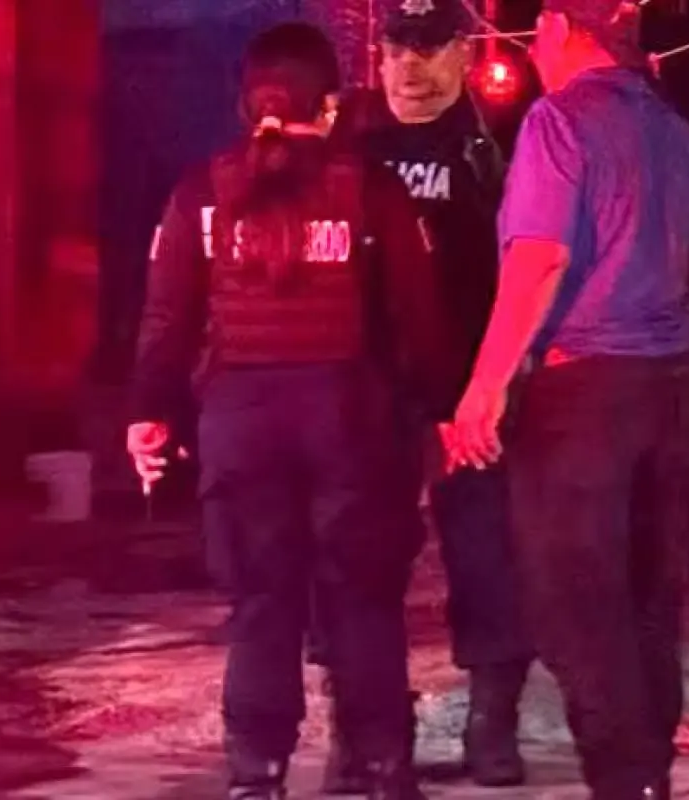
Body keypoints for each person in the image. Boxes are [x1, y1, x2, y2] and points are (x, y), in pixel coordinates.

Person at [126, 22, 451, 800]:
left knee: (262, 605)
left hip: (241, 426)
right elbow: (419, 317)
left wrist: (147, 414)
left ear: (247, 104)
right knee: (364, 602)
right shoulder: (373, 190)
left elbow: (166, 318)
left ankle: (257, 774)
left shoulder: (199, 192)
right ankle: (380, 767)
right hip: (351, 423)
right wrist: (441, 415)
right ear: (330, 106)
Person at [449, 2, 689, 798]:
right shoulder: (671, 129)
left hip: (583, 398)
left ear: (558, 29)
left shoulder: (557, 122)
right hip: (670, 389)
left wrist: (485, 386)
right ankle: (649, 779)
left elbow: (539, 261)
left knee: (578, 608)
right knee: (649, 600)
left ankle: (623, 780)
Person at [309, 0, 534, 791]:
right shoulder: (349, 140)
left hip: (471, 394)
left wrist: (498, 380)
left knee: (490, 557)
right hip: (367, 397)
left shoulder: (498, 142)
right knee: (350, 565)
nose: (409, 65)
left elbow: (532, 263)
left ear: (465, 52)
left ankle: (493, 728)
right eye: (397, 47)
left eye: (430, 47)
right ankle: (362, 732)